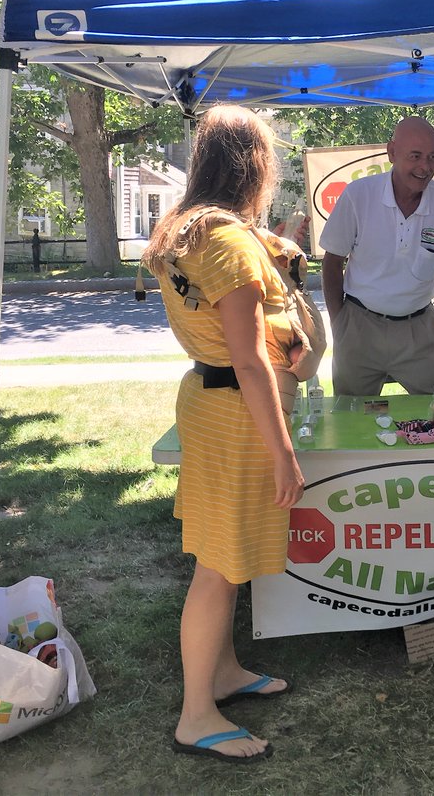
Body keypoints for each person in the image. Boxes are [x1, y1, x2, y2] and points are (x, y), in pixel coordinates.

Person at [143, 105, 304, 764]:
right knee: (217, 568)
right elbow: (251, 359)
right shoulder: (232, 242)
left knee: (224, 552)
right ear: (255, 167)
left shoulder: (185, 228)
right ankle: (197, 715)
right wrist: (284, 453)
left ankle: (226, 671)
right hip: (237, 407)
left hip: (206, 399)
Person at [320, 116, 434, 396]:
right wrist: (339, 323)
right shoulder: (359, 195)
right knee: (351, 422)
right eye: (415, 156)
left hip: (420, 329)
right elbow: (332, 261)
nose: (425, 167)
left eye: (432, 157)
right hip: (358, 327)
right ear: (392, 152)